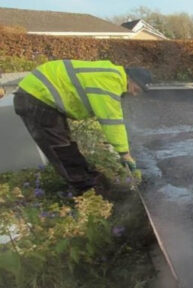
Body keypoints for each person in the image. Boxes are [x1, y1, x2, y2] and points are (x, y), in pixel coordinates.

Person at [13, 59, 151, 195]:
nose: (134, 94)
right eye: (136, 89)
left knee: (65, 146)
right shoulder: (109, 81)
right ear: (131, 79)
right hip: (37, 98)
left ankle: (94, 185)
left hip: (41, 98)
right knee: (60, 150)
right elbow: (111, 121)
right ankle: (88, 193)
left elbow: (101, 114)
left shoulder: (111, 74)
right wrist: (125, 154)